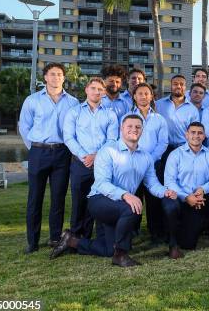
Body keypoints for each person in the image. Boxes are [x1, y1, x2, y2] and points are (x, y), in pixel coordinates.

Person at [50, 114, 177, 267]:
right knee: (133, 209)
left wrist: (165, 192)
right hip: (100, 201)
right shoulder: (108, 151)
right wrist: (126, 195)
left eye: (138, 127)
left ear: (142, 130)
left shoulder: (146, 157)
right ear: (121, 129)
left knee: (107, 249)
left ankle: (72, 241)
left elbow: (152, 184)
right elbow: (102, 183)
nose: (134, 129)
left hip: (120, 205)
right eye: (129, 126)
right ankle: (121, 255)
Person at [19, 63, 79, 254]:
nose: (56, 77)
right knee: (34, 198)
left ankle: (55, 238)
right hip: (39, 152)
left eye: (59, 74)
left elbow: (76, 129)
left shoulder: (73, 102)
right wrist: (35, 148)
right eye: (52, 74)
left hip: (62, 153)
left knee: (58, 198)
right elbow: (24, 127)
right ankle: (32, 241)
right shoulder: (32, 100)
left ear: (63, 78)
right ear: (45, 77)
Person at [63, 77, 118, 240]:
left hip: (102, 164)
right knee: (79, 201)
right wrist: (84, 156)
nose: (97, 92)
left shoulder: (110, 114)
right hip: (80, 163)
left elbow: (112, 140)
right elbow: (68, 137)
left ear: (104, 93)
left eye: (100, 90)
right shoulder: (75, 112)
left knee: (100, 199)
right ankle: (77, 236)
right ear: (86, 89)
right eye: (93, 88)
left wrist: (96, 156)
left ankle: (101, 235)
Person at [162, 122, 209, 257]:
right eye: (193, 132)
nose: (196, 136)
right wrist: (186, 197)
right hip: (182, 200)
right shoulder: (175, 154)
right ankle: (173, 244)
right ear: (186, 135)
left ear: (204, 136)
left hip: (202, 198)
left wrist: (202, 189)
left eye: (200, 133)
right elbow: (169, 182)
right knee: (188, 244)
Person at [129, 83, 169, 243]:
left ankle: (156, 232)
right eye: (140, 93)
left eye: (147, 93)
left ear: (152, 96)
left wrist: (149, 160)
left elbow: (163, 142)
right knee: (134, 197)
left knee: (154, 200)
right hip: (132, 164)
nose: (143, 96)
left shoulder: (159, 119)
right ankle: (132, 231)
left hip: (154, 164)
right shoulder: (127, 117)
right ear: (134, 96)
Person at [156, 75, 200, 156]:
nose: (178, 86)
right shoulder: (158, 105)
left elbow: (195, 133)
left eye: (181, 84)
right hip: (162, 149)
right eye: (175, 84)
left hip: (184, 149)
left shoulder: (193, 110)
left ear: (185, 87)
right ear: (171, 86)